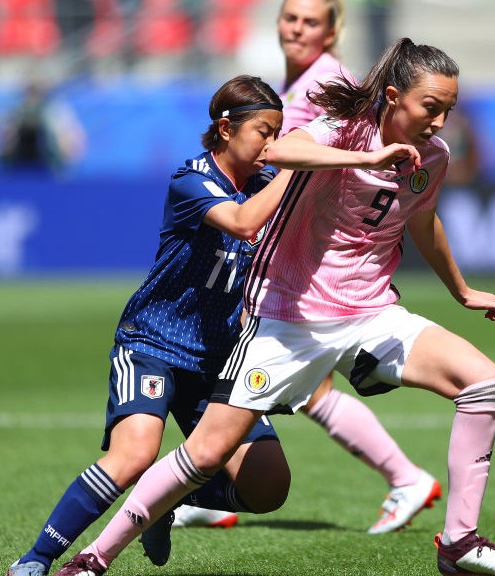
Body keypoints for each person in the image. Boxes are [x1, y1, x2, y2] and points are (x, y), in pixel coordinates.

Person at [52, 38, 495, 576]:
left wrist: (462, 291)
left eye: (449, 109)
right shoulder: (347, 129)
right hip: (287, 317)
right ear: (395, 97)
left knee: (481, 381)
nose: (441, 121)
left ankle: (459, 543)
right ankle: (94, 557)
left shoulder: (434, 158)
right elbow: (278, 151)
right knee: (207, 455)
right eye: (431, 107)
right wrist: (367, 155)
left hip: (372, 312)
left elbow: (423, 221)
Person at [168, 0, 441, 538]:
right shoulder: (291, 84)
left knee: (292, 382)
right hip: (280, 252)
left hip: (306, 263)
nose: (298, 29)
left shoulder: (331, 82)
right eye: (290, 18)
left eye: (311, 21)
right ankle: (213, 485)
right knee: (276, 379)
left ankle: (404, 475)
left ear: (333, 29)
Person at [6, 75, 294, 576]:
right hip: (154, 341)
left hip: (221, 355)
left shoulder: (267, 182)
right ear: (225, 129)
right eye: (265, 131)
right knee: (135, 454)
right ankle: (35, 559)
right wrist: (296, 168)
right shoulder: (193, 180)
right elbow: (246, 224)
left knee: (269, 486)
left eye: (280, 133)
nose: (273, 144)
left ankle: (163, 501)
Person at [0, 79, 86, 172]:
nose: (32, 99)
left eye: (35, 94)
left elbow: (71, 137)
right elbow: (2, 139)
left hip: (50, 163)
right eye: (30, 94)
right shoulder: (13, 112)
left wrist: (67, 157)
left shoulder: (55, 111)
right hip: (19, 161)